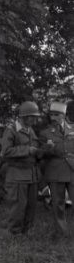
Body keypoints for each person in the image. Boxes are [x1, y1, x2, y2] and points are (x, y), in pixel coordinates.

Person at [1, 101, 43, 235]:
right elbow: (6, 152)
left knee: (31, 206)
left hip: (32, 175)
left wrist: (41, 152)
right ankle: (14, 234)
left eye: (36, 117)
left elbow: (34, 150)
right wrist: (27, 150)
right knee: (18, 206)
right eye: (33, 117)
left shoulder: (31, 130)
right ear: (24, 116)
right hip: (17, 175)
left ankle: (27, 232)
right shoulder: (11, 130)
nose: (35, 120)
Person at [39, 101, 74, 237]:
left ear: (63, 115)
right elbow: (40, 154)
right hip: (55, 171)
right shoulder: (45, 133)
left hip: (72, 170)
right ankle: (62, 233)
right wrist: (49, 149)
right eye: (51, 115)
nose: (53, 117)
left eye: (56, 115)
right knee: (58, 204)